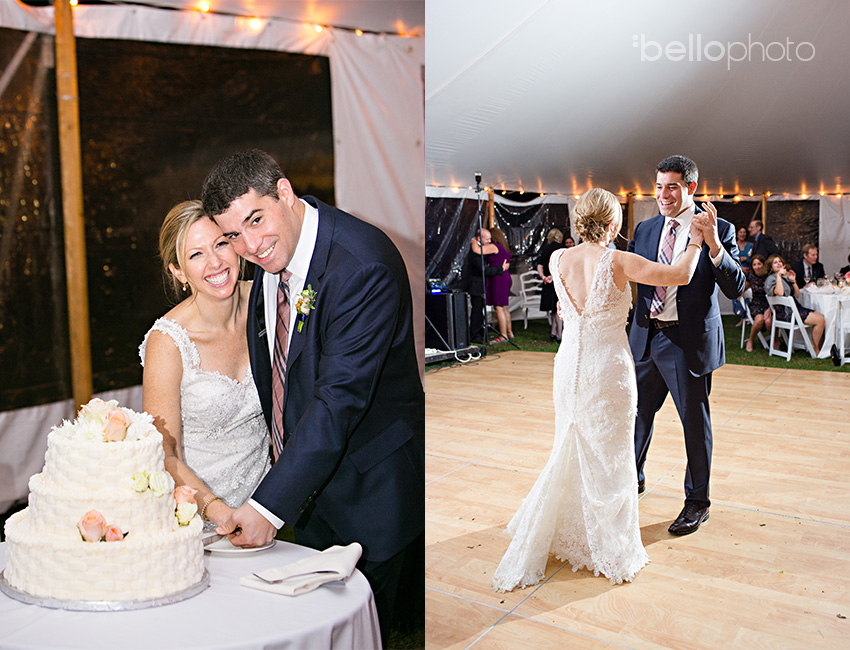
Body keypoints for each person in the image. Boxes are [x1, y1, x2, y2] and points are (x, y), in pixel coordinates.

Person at [201, 149, 424, 642]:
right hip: (310, 499)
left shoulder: (361, 265)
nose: (250, 246)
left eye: (256, 220)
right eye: (233, 235)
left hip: (372, 497)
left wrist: (268, 507)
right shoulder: (270, 259)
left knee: (368, 636)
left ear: (284, 192)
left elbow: (337, 401)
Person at [491, 188, 705, 592]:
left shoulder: (558, 259)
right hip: (607, 369)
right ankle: (611, 545)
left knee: (570, 443)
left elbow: (566, 306)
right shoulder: (618, 261)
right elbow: (680, 274)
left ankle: (567, 529)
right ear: (613, 223)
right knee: (611, 454)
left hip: (569, 366)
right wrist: (695, 240)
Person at [629, 155, 745, 536]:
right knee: (636, 416)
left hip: (686, 341)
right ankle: (631, 478)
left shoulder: (719, 228)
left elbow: (736, 288)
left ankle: (697, 501)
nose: (663, 194)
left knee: (694, 424)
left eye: (672, 187)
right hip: (645, 338)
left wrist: (714, 246)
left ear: (691, 187)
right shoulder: (646, 229)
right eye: (659, 186)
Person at [139, 200, 271, 528]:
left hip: (269, 506)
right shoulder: (168, 342)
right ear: (178, 271)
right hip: (197, 518)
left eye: (221, 244)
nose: (214, 262)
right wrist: (218, 512)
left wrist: (271, 506)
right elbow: (163, 451)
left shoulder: (269, 301)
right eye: (196, 254)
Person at [765, 253, 825, 355]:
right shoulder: (771, 279)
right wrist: (778, 276)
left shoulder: (785, 277)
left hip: (795, 309)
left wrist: (793, 281)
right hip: (786, 313)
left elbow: (797, 294)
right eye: (775, 263)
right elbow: (779, 293)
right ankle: (814, 349)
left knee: (822, 318)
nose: (779, 263)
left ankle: (814, 347)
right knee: (820, 321)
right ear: (771, 267)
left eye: (780, 261)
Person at [462, 228, 509, 343]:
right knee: (478, 310)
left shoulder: (489, 248)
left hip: (485, 283)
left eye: (490, 238)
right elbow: (484, 269)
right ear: (479, 239)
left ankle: (482, 333)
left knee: (482, 309)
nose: (489, 241)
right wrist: (500, 269)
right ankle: (475, 334)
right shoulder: (476, 252)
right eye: (487, 239)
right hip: (477, 284)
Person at [536, 228, 566, 342]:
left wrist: (543, 276)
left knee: (553, 309)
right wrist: (553, 276)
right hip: (558, 282)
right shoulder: (562, 249)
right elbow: (563, 266)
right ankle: (560, 334)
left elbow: (539, 265)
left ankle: (553, 332)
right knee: (559, 308)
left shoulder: (546, 249)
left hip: (547, 282)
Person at [744, 254, 773, 352]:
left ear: (763, 264)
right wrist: (739, 296)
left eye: (759, 264)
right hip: (756, 303)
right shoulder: (750, 276)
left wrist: (770, 307)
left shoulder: (768, 276)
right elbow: (743, 288)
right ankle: (750, 340)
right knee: (760, 319)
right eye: (754, 264)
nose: (757, 267)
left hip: (769, 303)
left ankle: (775, 340)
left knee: (769, 321)